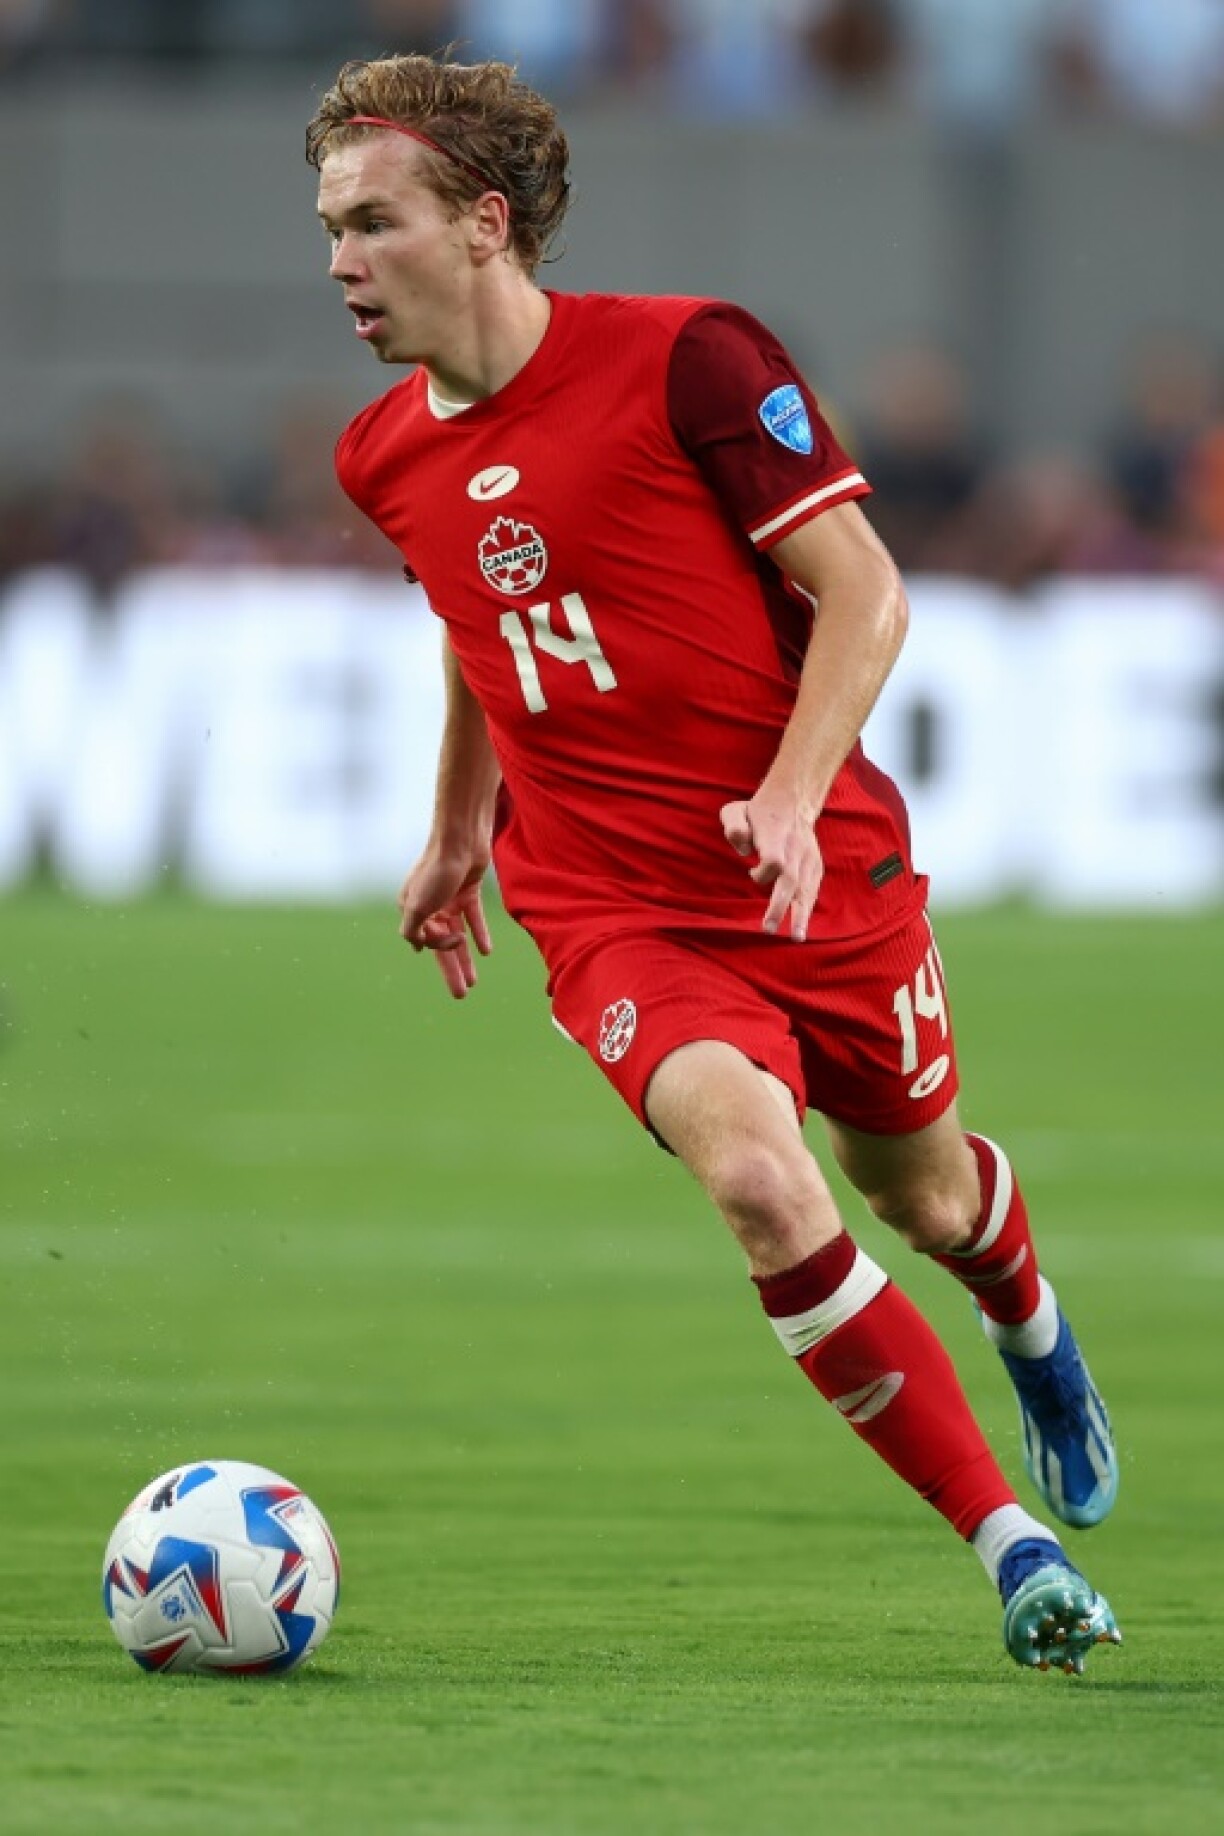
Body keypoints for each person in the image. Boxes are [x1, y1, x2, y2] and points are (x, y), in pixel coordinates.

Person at [307, 52, 1122, 1675]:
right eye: (328, 227)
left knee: (926, 1194)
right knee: (760, 1183)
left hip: (816, 871)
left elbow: (868, 593)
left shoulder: (692, 358)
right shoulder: (378, 453)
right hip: (613, 909)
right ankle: (1013, 1550)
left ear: (483, 223)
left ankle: (1029, 1323)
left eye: (373, 222)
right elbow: (480, 622)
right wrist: (461, 825)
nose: (340, 261)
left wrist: (795, 795)